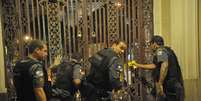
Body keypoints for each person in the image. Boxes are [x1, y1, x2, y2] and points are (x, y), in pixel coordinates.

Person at [131, 35, 184, 101]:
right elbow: (154, 66)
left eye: (150, 45)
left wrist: (160, 83)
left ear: (154, 44)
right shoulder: (168, 50)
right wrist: (137, 65)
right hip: (175, 85)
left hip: (170, 86)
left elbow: (164, 65)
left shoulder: (160, 51)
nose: (150, 47)